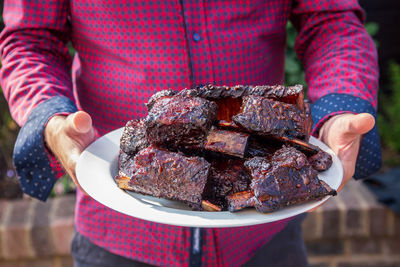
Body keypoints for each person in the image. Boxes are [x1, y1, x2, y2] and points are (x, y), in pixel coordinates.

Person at [0, 1, 381, 266]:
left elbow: (330, 20)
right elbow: (31, 39)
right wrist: (52, 118)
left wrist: (338, 110)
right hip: (118, 234)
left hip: (264, 234)